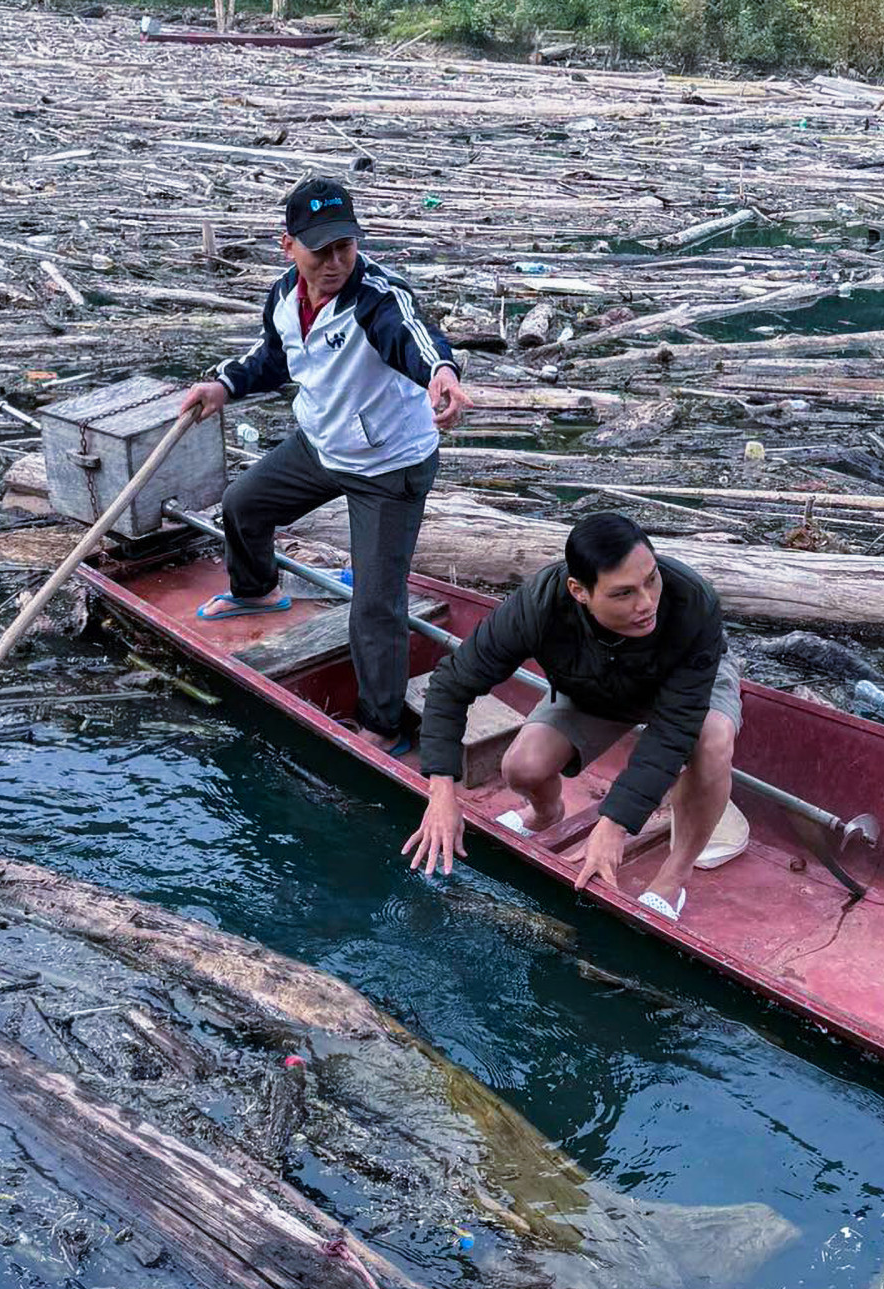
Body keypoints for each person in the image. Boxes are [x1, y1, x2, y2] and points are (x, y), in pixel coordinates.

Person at [179, 177, 468, 754]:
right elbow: (273, 356)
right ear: (288, 246)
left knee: (376, 604)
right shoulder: (286, 296)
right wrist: (223, 385)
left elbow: (415, 338)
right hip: (323, 444)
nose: (335, 262)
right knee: (243, 505)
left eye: (345, 247)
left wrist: (442, 373)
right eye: (321, 250)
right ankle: (257, 591)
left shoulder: (378, 298)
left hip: (388, 466)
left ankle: (382, 725)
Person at [403, 513, 742, 923]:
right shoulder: (537, 605)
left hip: (682, 686)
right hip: (594, 683)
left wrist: (614, 823)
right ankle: (545, 813)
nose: (646, 603)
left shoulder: (692, 601)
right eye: (623, 594)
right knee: (522, 767)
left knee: (712, 739)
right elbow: (452, 684)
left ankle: (674, 877)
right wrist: (441, 793)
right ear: (579, 591)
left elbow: (674, 728)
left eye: (651, 580)